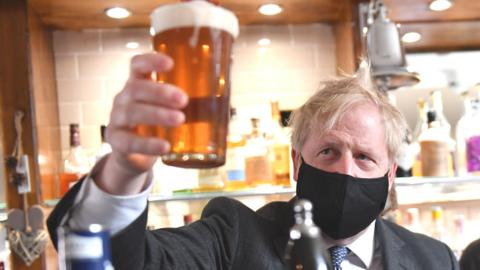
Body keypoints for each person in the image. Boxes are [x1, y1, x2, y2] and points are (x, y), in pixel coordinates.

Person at [47, 53, 459, 270]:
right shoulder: (234, 238)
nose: (345, 172)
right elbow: (123, 264)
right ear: (297, 164)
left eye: (365, 157)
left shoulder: (434, 260)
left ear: (390, 175)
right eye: (328, 152)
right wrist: (123, 169)